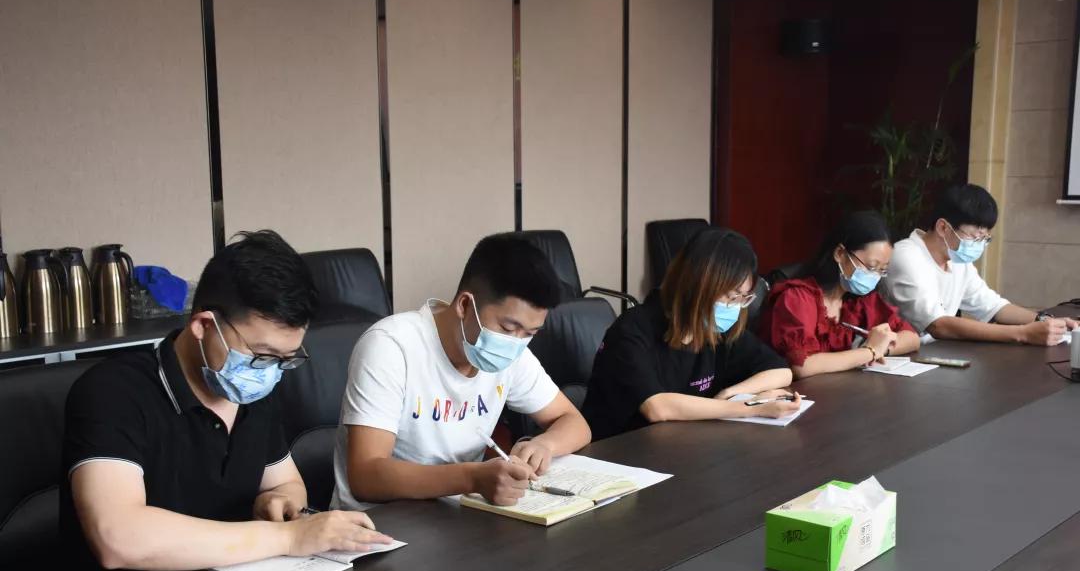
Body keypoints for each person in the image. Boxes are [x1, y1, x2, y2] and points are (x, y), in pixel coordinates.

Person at [62, 231, 393, 571]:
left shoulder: (252, 388)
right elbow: (118, 538)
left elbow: (285, 483)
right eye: (262, 355)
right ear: (204, 325)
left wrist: (281, 502)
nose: (270, 371)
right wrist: (287, 537)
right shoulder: (113, 392)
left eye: (285, 359)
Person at [331, 233, 591, 510]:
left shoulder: (512, 354)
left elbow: (574, 423)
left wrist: (544, 445)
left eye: (530, 333)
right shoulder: (391, 346)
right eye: (507, 328)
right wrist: (472, 478)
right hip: (379, 522)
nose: (516, 342)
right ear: (465, 305)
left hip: (456, 515)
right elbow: (366, 476)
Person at [581, 228, 797, 441]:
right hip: (619, 450)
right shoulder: (633, 328)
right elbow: (658, 407)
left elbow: (781, 371)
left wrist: (730, 393)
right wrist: (751, 409)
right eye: (732, 297)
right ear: (697, 285)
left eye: (743, 298)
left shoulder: (717, 328)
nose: (735, 307)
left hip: (681, 444)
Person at [883, 184, 1077, 344]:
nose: (979, 245)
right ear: (943, 227)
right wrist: (1023, 333)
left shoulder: (957, 260)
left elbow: (992, 306)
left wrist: (1045, 321)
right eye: (975, 237)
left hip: (934, 355)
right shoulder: (906, 256)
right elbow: (938, 325)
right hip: (896, 360)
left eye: (985, 238)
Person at [757, 211, 920, 379]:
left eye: (882, 270)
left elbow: (912, 338)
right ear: (840, 254)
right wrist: (869, 351)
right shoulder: (797, 298)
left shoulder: (858, 300)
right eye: (871, 267)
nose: (875, 276)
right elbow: (803, 366)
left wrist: (881, 347)